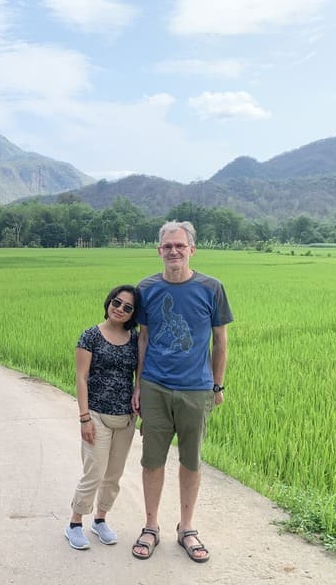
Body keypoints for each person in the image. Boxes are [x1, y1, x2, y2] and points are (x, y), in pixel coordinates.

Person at [130, 221, 233, 563]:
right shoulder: (146, 288)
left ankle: (186, 528)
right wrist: (138, 384)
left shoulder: (211, 288)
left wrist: (216, 386)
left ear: (192, 249)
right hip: (155, 386)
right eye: (167, 246)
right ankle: (150, 526)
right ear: (158, 250)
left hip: (196, 389)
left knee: (191, 461)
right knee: (152, 460)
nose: (173, 251)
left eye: (179, 245)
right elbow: (143, 338)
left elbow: (220, 342)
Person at [64, 284, 141, 550]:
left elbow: (139, 375)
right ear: (109, 302)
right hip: (96, 414)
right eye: (117, 303)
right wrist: (84, 417)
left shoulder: (135, 338)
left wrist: (139, 396)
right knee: (94, 472)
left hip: (126, 417)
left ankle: (100, 519)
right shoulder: (90, 336)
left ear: (133, 314)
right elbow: (81, 378)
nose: (120, 309)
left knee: (113, 475)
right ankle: (74, 523)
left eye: (128, 307)